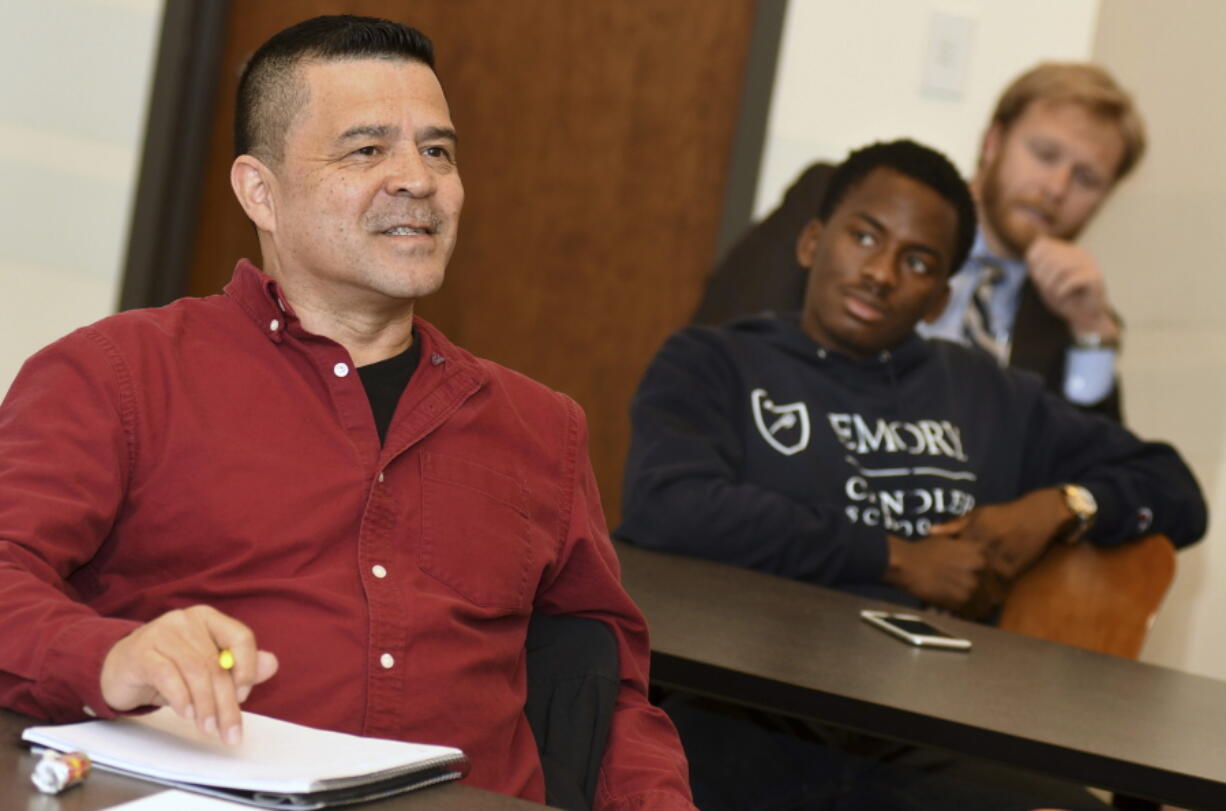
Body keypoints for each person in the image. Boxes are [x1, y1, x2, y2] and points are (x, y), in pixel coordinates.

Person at [0, 15, 694, 810]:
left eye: (438, 151)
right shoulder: (119, 373)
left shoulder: (541, 428)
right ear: (260, 191)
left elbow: (610, 697)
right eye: (368, 151)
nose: (418, 179)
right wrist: (113, 654)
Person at [617, 139, 1205, 809]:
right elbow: (670, 505)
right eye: (864, 237)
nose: (881, 273)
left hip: (927, 729)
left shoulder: (984, 392)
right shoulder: (714, 362)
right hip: (743, 706)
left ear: (937, 300)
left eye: (917, 261)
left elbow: (1174, 487)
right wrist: (895, 556)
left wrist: (1063, 504)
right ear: (813, 241)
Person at [692, 62, 1145, 422]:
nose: (1056, 187)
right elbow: (721, 341)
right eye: (1044, 155)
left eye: (1086, 179)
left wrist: (1091, 335)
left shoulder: (1066, 311)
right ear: (993, 142)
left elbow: (1094, 467)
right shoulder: (848, 202)